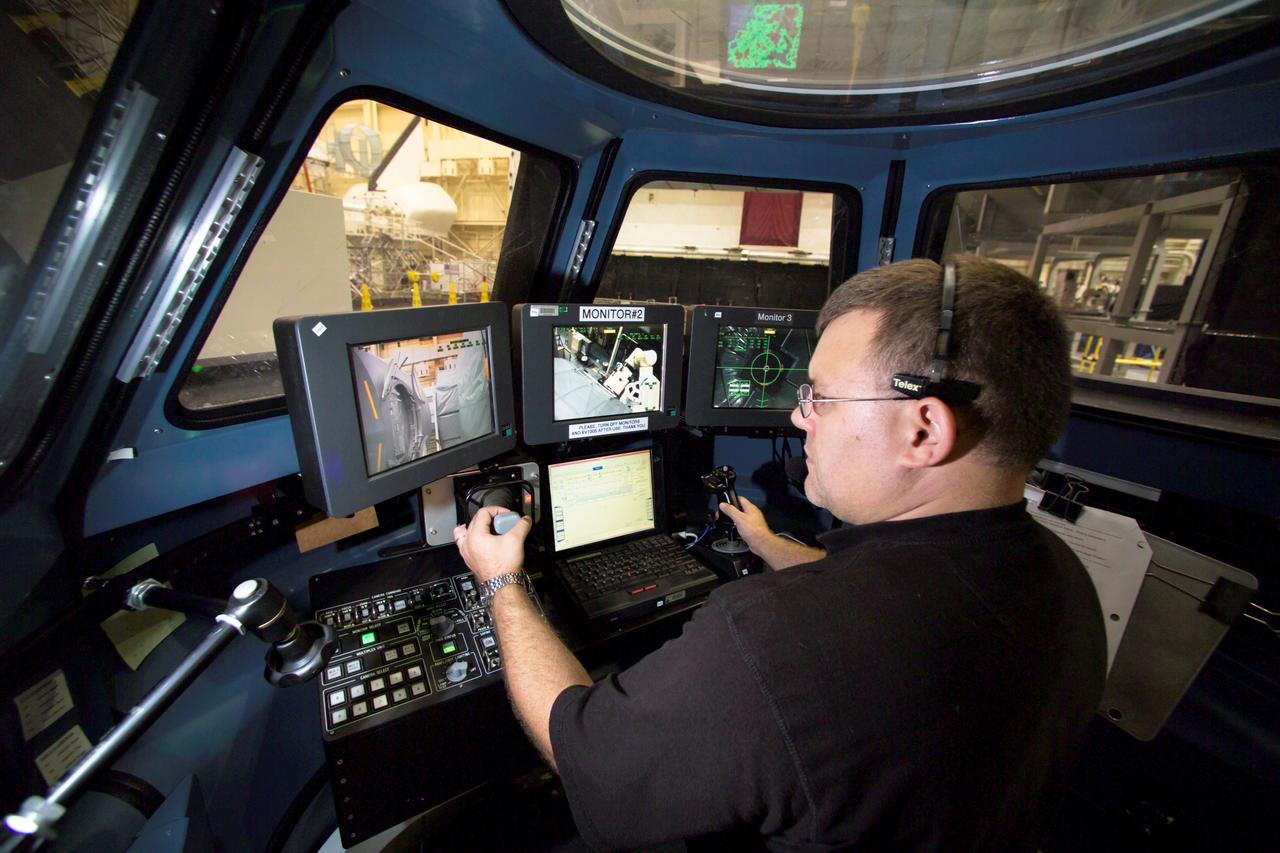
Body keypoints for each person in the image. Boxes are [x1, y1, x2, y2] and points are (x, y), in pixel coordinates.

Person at [454, 255, 1106, 851]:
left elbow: (584, 756)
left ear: (924, 428)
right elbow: (898, 592)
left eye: (819, 396)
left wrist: (502, 583)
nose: (799, 420)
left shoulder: (773, 638)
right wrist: (770, 544)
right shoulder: (1066, 579)